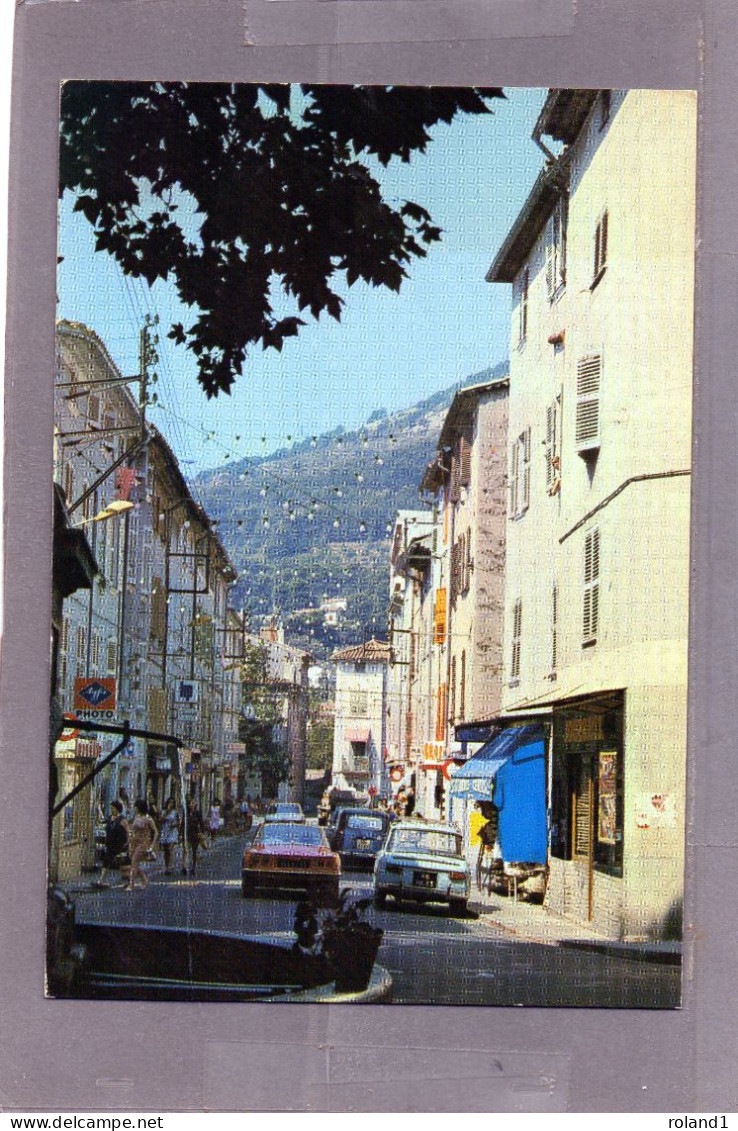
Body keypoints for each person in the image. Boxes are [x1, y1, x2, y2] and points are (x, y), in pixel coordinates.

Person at [125, 798, 159, 891]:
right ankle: (144, 879)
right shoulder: (136, 817)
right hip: (134, 842)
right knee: (134, 863)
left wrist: (152, 845)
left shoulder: (148, 819)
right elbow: (133, 829)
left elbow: (156, 832)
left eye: (136, 806)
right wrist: (129, 839)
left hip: (143, 843)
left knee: (134, 862)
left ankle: (131, 884)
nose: (134, 808)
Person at [94, 800, 129, 888]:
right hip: (110, 844)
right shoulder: (110, 818)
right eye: (111, 808)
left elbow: (128, 832)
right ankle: (101, 880)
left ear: (117, 809)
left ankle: (130, 880)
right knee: (106, 861)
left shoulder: (122, 820)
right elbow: (104, 824)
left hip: (119, 844)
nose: (111, 810)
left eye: (113, 808)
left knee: (122, 863)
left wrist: (128, 843)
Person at [159, 797, 181, 875]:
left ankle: (170, 866)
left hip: (172, 832)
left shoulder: (175, 812)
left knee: (170, 848)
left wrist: (175, 825)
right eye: (169, 803)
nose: (171, 804)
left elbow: (179, 822)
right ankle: (166, 865)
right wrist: (166, 813)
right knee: (165, 851)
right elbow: (161, 820)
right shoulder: (164, 812)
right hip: (165, 831)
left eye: (172, 803)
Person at [184, 797, 205, 877]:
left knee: (194, 851)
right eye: (190, 803)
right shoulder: (186, 813)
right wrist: (180, 833)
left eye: (193, 803)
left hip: (195, 834)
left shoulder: (198, 813)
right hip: (188, 833)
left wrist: (202, 832)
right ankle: (185, 867)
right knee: (186, 850)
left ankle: (193, 867)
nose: (191, 805)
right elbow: (184, 822)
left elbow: (201, 823)